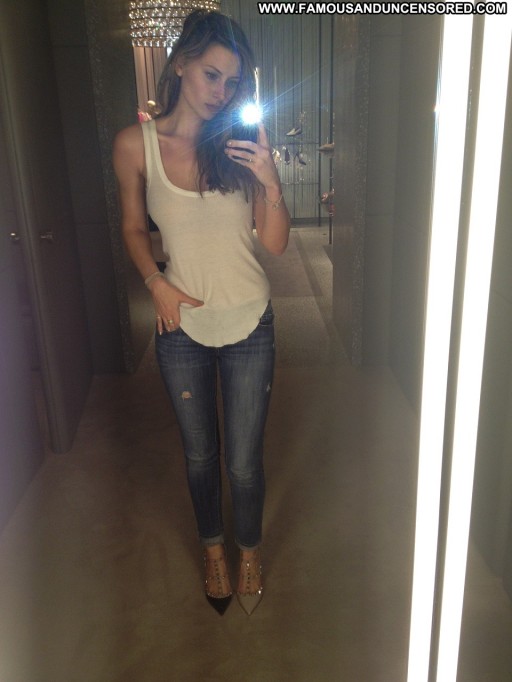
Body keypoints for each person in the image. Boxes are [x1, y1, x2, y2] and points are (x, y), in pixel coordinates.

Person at [113, 9, 290, 616]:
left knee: (243, 462)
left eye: (232, 82)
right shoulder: (135, 145)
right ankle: (213, 550)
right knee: (199, 455)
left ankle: (248, 551)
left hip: (250, 320)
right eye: (212, 75)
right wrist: (154, 282)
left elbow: (275, 245)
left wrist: (270, 181)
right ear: (181, 64)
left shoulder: (240, 146)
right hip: (179, 324)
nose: (221, 92)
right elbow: (133, 228)